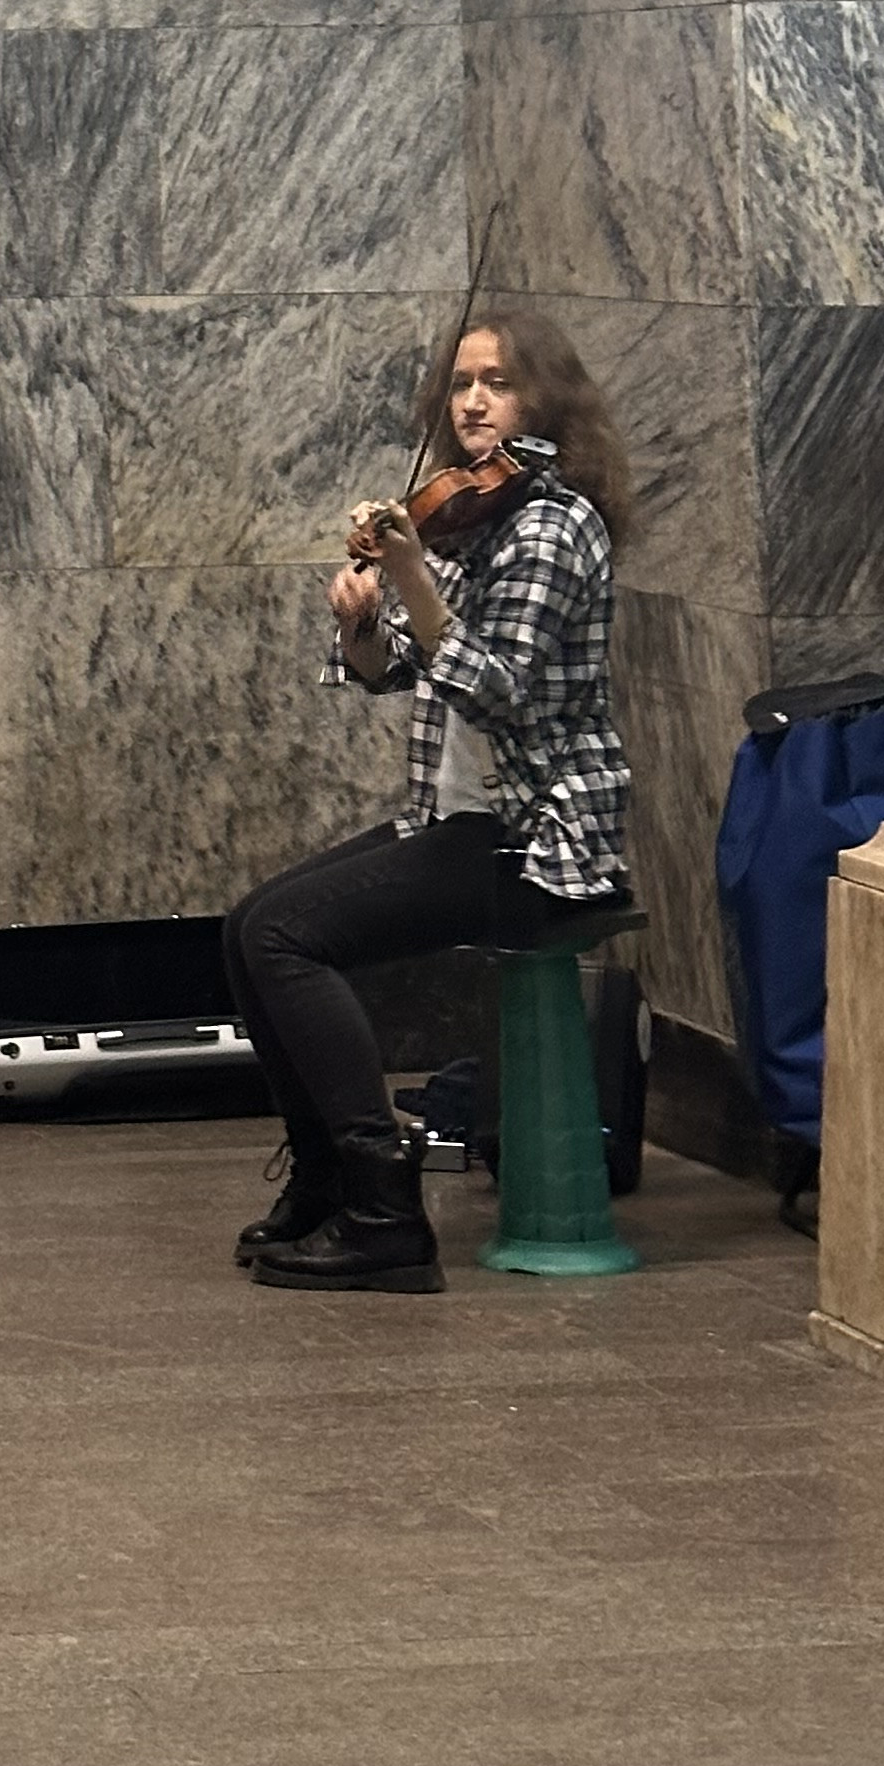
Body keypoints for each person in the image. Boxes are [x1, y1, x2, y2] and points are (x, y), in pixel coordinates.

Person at [223, 314, 634, 1295]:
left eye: (499, 382)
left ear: (546, 400)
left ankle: (385, 1212)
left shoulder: (556, 525)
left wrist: (408, 571)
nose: (474, 402)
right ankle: (325, 1178)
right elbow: (396, 668)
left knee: (284, 938)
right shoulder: (469, 514)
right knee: (245, 927)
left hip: (537, 839)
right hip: (456, 822)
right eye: (461, 383)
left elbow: (501, 688)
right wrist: (364, 625)